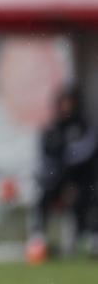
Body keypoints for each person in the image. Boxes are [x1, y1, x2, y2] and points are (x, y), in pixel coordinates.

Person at [27, 85, 98, 262]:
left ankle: (89, 239)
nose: (66, 106)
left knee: (88, 196)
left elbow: (84, 155)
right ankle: (38, 238)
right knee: (44, 195)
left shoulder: (84, 128)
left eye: (69, 102)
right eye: (63, 102)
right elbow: (48, 156)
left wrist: (72, 182)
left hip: (81, 180)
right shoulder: (53, 128)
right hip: (57, 180)